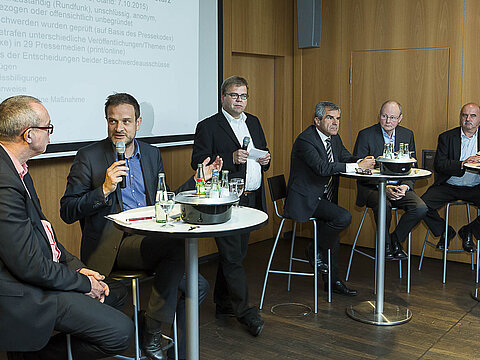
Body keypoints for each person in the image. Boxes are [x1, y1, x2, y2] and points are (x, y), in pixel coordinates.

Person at [60, 93, 220, 360]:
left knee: (198, 286)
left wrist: (195, 181)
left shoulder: (151, 154)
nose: (119, 128)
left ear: (138, 123)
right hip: (113, 246)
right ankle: (152, 332)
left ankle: (173, 350)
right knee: (176, 246)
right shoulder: (89, 157)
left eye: (125, 121)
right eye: (112, 121)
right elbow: (67, 210)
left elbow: (163, 199)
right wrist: (104, 190)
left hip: (151, 240)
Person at [0, 95, 133, 359]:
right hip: (25, 292)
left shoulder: (17, 169)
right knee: (121, 333)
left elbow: (45, 236)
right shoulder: (4, 181)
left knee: (114, 292)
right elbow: (29, 265)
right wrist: (83, 283)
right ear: (28, 135)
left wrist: (77, 268)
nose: (51, 134)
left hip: (41, 275)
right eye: (48, 128)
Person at [191, 75, 271, 337]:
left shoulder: (254, 122)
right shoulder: (208, 126)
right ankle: (245, 312)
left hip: (250, 197)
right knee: (233, 257)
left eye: (244, 95)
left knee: (236, 254)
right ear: (223, 97)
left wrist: (266, 159)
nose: (240, 100)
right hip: (224, 199)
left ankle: (223, 303)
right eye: (235, 95)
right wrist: (229, 157)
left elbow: (261, 153)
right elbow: (198, 162)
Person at [284, 101, 375, 296]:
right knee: (343, 217)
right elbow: (322, 168)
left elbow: (344, 157)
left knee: (333, 227)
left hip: (324, 197)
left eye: (338, 118)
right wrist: (357, 167)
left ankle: (333, 282)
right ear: (317, 120)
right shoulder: (305, 141)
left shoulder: (334, 138)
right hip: (305, 199)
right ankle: (313, 249)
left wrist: (361, 162)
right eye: (330, 118)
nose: (335, 123)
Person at [353, 100, 428, 260]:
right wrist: (383, 188)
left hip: (399, 187)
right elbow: (359, 170)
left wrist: (405, 187)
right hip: (372, 188)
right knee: (384, 204)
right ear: (379, 115)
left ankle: (395, 240)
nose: (388, 121)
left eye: (393, 117)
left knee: (420, 208)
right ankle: (385, 245)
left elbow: (412, 166)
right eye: (384, 116)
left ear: (400, 118)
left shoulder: (407, 134)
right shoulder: (366, 135)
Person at [421, 102, 480, 252]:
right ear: (460, 118)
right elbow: (439, 164)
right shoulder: (447, 137)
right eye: (464, 115)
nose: (468, 119)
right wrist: (462, 163)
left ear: (479, 119)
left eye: (473, 115)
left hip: (476, 187)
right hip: (448, 185)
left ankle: (469, 231)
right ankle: (445, 231)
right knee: (420, 206)